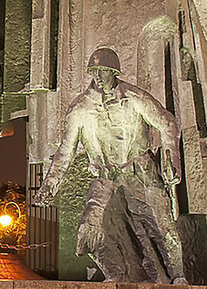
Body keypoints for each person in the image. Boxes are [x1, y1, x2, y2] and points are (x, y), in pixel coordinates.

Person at [32, 47, 187, 284]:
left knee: (164, 228)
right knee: (88, 228)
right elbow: (65, 151)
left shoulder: (134, 98)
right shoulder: (80, 108)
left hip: (140, 173)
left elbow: (167, 123)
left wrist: (171, 157)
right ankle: (114, 273)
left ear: (114, 71)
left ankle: (179, 277)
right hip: (105, 178)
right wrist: (49, 186)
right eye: (94, 71)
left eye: (103, 70)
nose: (98, 76)